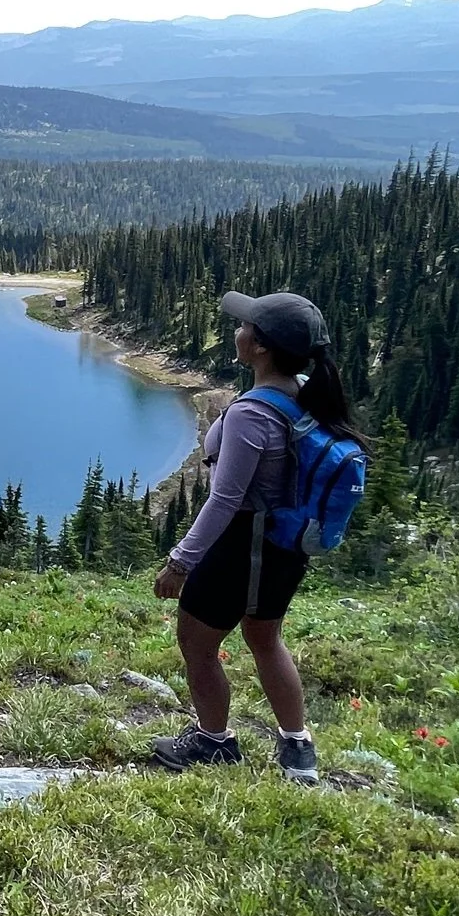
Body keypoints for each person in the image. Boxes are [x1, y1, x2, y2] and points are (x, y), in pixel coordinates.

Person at [148, 289, 365, 785]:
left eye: (245, 326)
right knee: (266, 639)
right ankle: (296, 745)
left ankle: (213, 741)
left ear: (261, 346)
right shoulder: (304, 390)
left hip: (242, 547)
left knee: (197, 643)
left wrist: (180, 563)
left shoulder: (253, 413)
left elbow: (225, 500)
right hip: (284, 547)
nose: (237, 330)